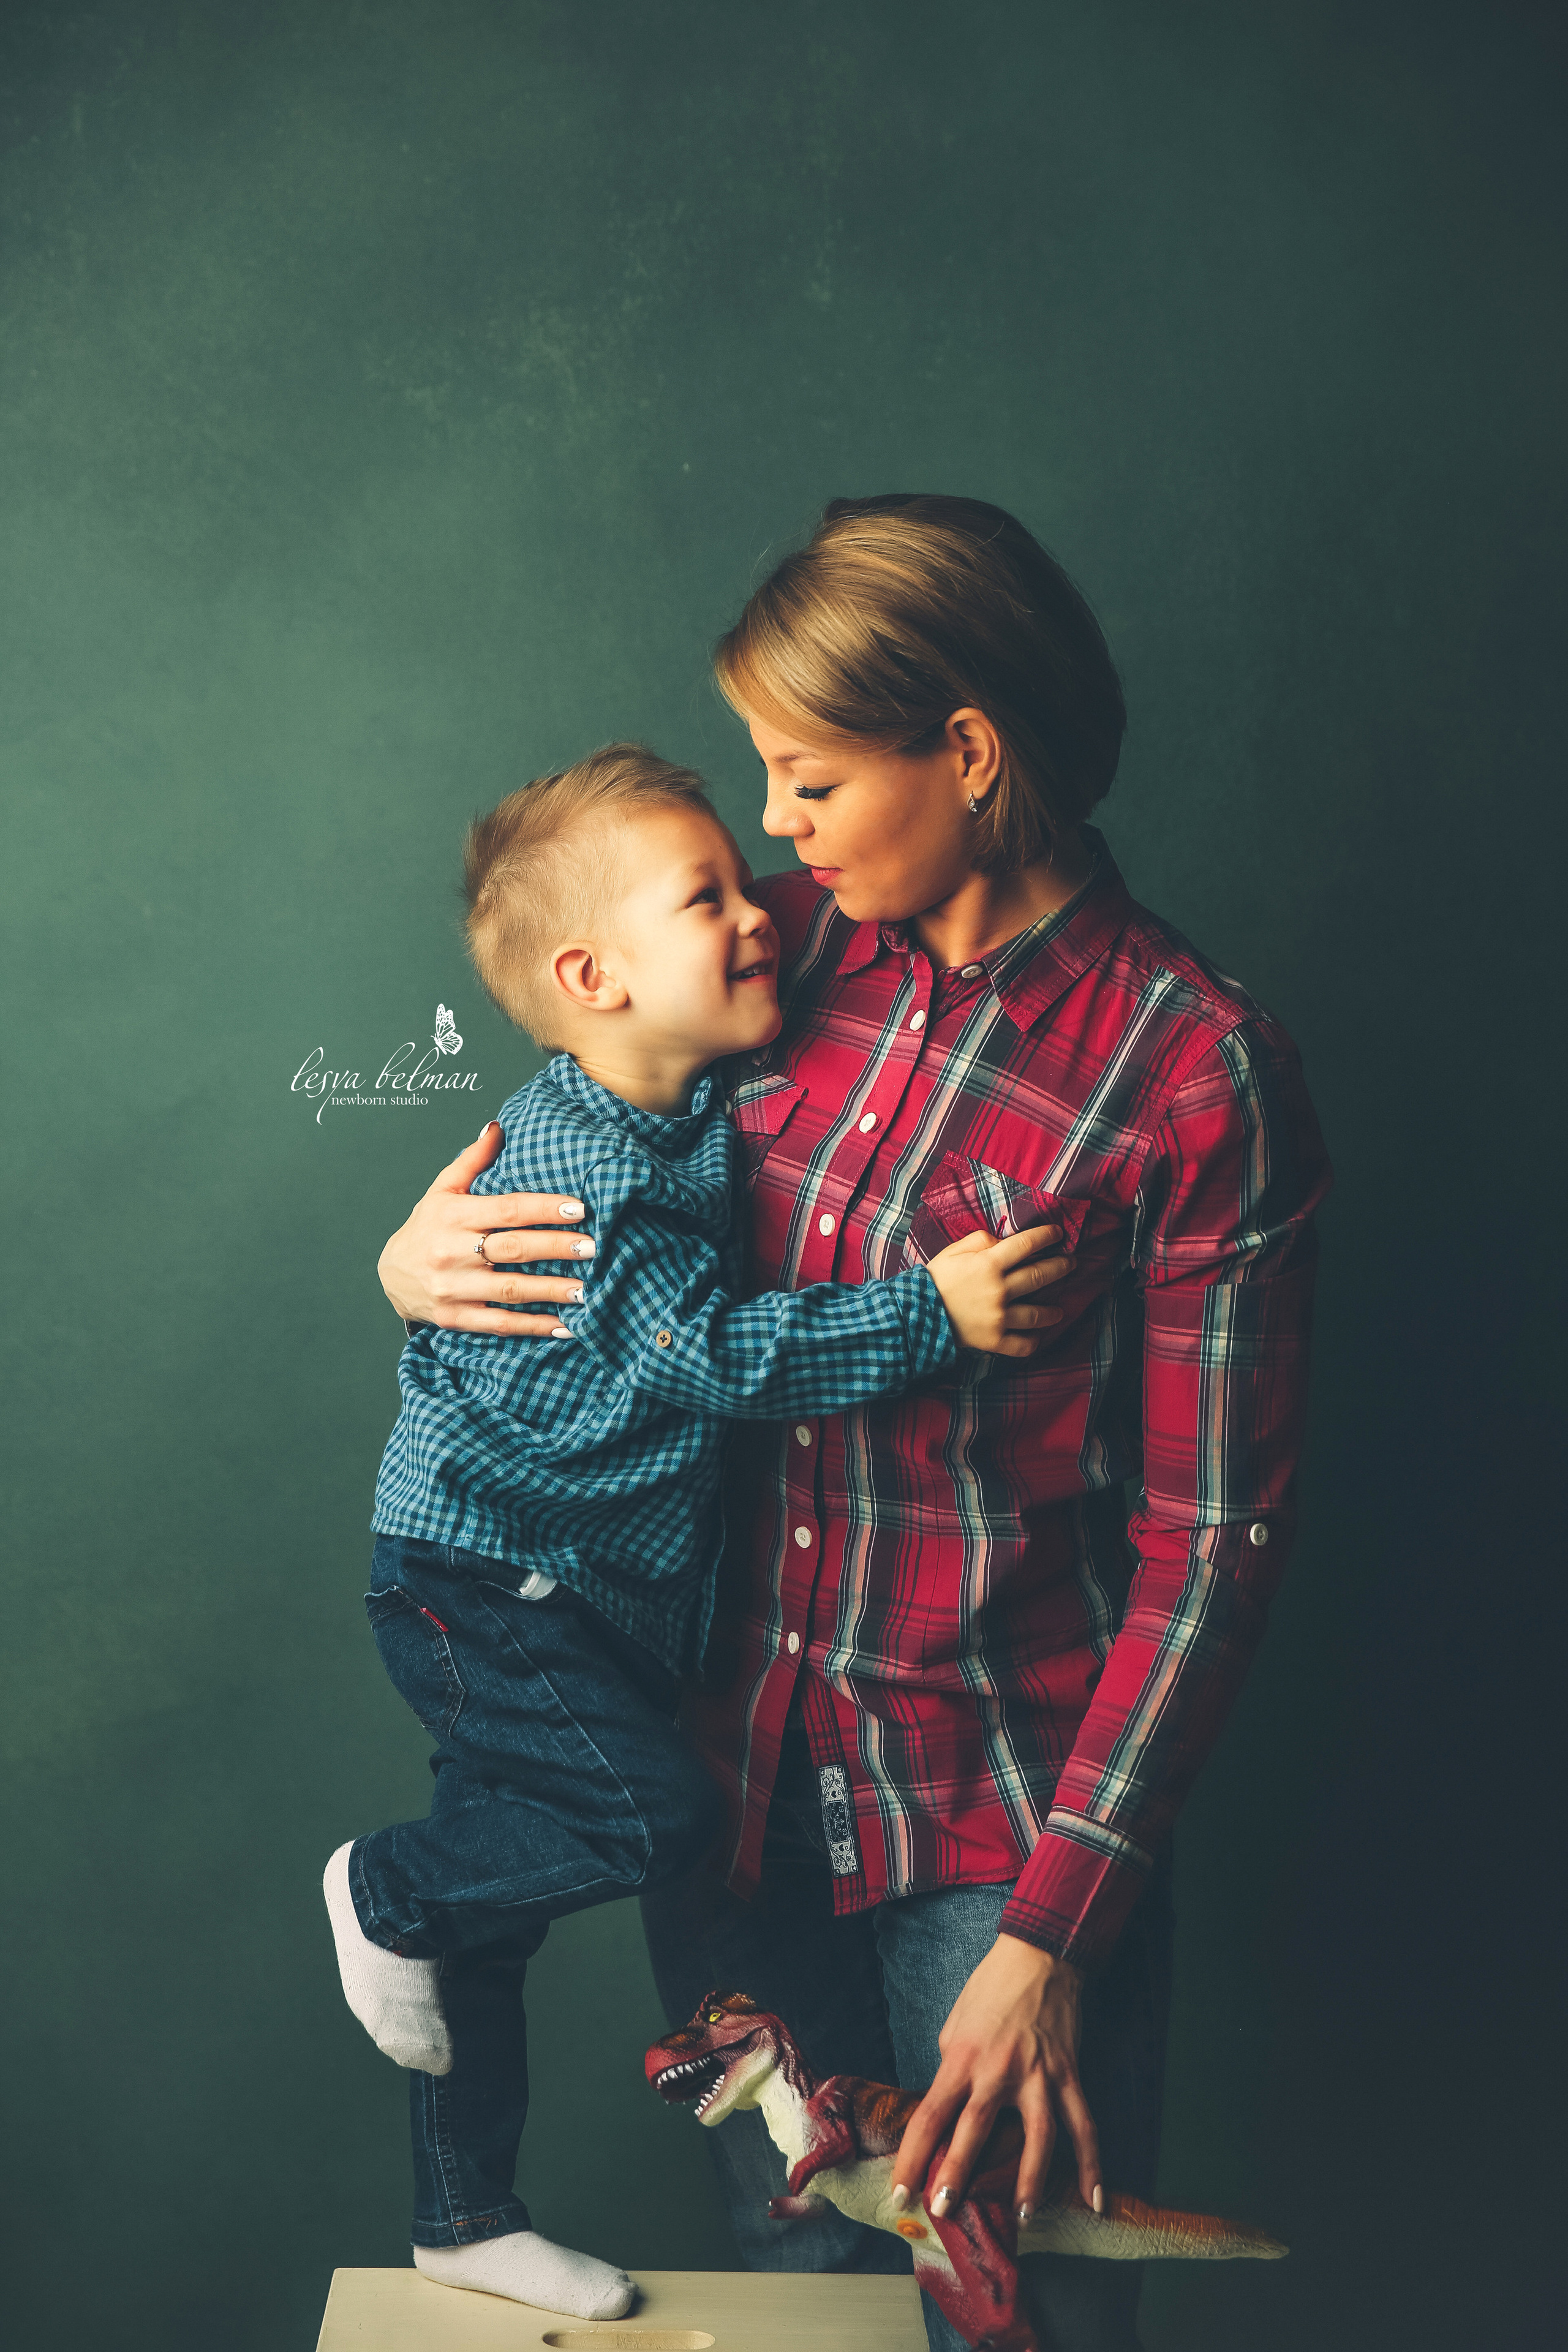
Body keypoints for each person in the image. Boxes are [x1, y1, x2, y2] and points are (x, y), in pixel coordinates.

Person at [376, 497, 1331, 2352]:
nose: (777, 833)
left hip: (1000, 1838)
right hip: (730, 1808)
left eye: (808, 780)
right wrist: (415, 1255)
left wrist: (1057, 1936)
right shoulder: (755, 955)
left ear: (968, 753)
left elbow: (1213, 1541)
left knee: (1023, 2317)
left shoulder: (1196, 1067)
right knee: (808, 2313)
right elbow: (565, 1160)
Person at [325, 741, 1072, 2325]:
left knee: (500, 1932)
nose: (759, 914)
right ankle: (390, 1890)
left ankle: (464, 2216)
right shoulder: (589, 1167)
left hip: (569, 1593)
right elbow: (711, 1355)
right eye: (709, 896)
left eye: (750, 881)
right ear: (594, 977)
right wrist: (930, 1312)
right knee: (644, 1819)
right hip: (486, 1585)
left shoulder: (683, 1097)